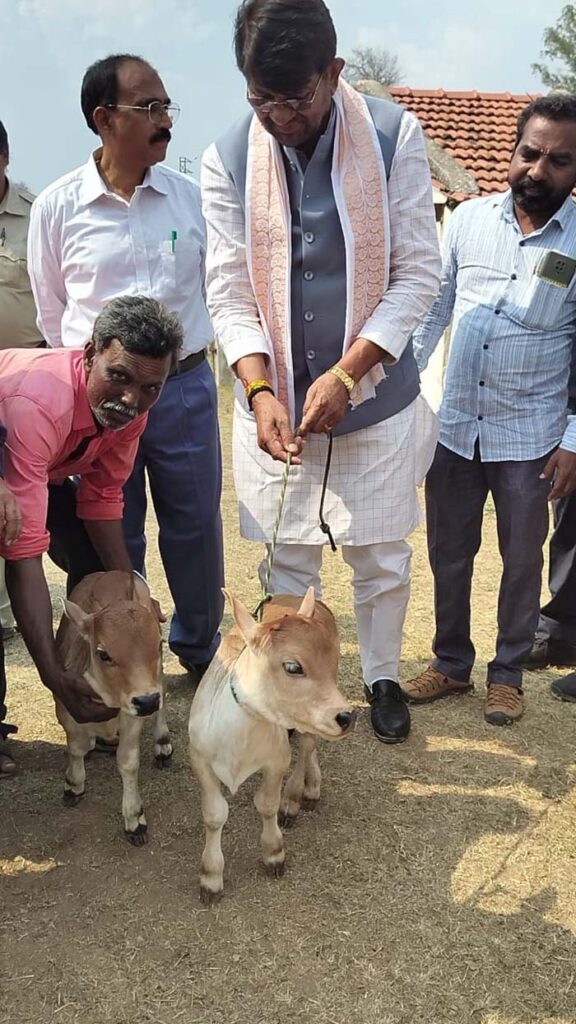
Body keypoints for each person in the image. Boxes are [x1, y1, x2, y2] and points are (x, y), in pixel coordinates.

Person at [201, 0, 441, 743]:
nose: (279, 117)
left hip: (374, 397)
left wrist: (348, 373)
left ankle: (381, 675)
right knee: (288, 557)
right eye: (261, 100)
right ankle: (292, 692)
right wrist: (258, 388)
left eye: (296, 98)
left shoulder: (395, 137)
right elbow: (228, 290)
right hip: (275, 406)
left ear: (333, 73)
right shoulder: (227, 156)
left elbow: (417, 274)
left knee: (380, 555)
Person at [27, 53, 224, 684]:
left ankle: (199, 649)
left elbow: (218, 289)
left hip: (184, 386)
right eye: (150, 108)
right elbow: (53, 311)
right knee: (111, 525)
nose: (166, 121)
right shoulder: (57, 207)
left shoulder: (191, 202)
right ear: (104, 118)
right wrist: (95, 391)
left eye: (167, 107)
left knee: (195, 523)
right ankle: (127, 661)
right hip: (99, 403)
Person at [406, 93, 576, 727]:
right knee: (448, 552)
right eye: (529, 153)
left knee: (521, 561)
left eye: (558, 160)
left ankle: (507, 675)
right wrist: (402, 390)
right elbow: (433, 311)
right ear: (513, 150)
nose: (538, 170)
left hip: (532, 437)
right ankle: (451, 662)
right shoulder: (468, 221)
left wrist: (573, 439)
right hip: (455, 428)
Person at [0, 294, 182, 773]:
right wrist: (53, 678)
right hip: (15, 451)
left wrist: (132, 598)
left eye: (150, 387)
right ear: (88, 354)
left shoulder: (131, 409)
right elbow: (23, 555)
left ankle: (100, 681)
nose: (131, 400)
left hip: (39, 471)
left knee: (97, 569)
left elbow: (101, 500)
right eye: (118, 376)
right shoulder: (39, 403)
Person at [0, 119, 45, 644]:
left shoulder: (36, 215)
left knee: (18, 496)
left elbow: (51, 299)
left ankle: (10, 609)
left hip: (26, 386)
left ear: (6, 156)